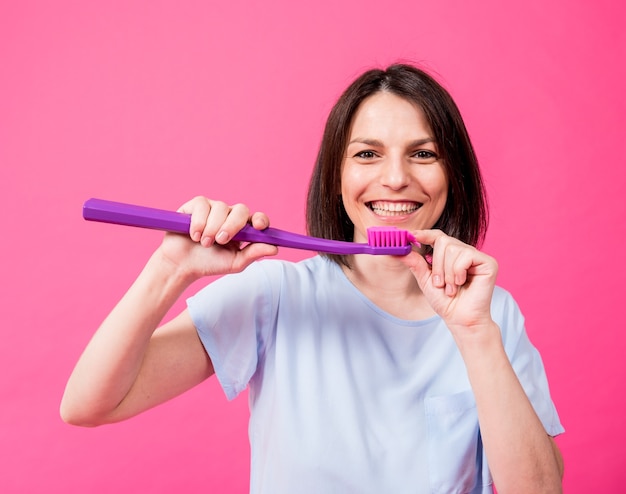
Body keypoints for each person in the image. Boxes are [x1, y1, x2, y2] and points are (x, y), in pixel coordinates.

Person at [61, 64, 564, 493]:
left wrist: (475, 335)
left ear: (453, 176)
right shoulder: (277, 295)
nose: (394, 178)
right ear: (336, 176)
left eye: (423, 153)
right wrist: (170, 270)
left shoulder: (491, 314)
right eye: (367, 154)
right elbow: (88, 405)